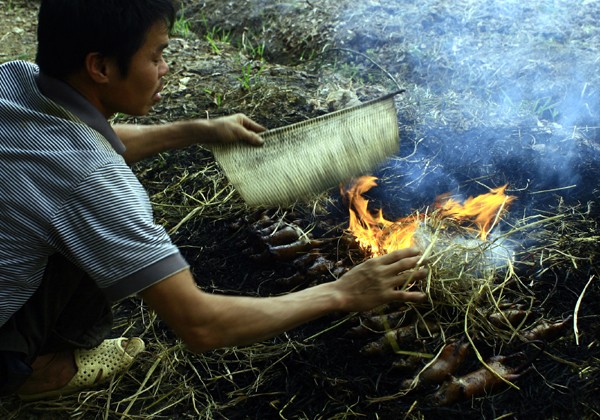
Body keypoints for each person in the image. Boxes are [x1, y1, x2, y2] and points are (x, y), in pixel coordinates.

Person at [0, 0, 428, 400]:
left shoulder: (16, 79)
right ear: (100, 67)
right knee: (105, 227)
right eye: (156, 56)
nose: (166, 68)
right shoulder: (92, 181)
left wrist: (198, 130)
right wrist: (342, 292)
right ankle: (35, 369)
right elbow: (199, 324)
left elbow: (81, 143)